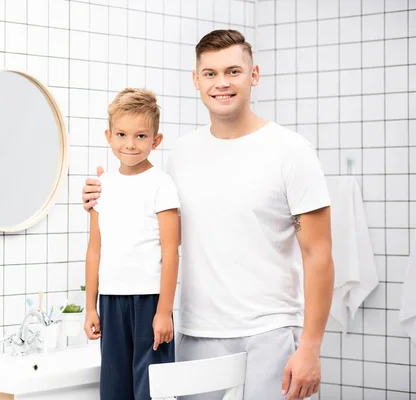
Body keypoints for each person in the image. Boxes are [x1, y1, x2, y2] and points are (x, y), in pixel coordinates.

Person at [82, 30, 334, 400]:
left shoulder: (291, 151)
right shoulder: (181, 154)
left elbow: (320, 255)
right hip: (195, 336)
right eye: (211, 73)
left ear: (254, 75)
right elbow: (151, 224)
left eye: (233, 71)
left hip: (268, 336)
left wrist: (310, 347)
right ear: (196, 80)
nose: (222, 83)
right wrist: (101, 194)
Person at [83, 88, 181, 400]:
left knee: (152, 391)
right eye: (122, 134)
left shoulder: (161, 184)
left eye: (141, 136)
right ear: (108, 136)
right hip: (110, 302)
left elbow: (170, 252)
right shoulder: (102, 187)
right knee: (113, 390)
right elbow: (94, 250)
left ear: (156, 140)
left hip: (150, 302)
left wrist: (164, 311)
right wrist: (90, 307)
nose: (130, 144)